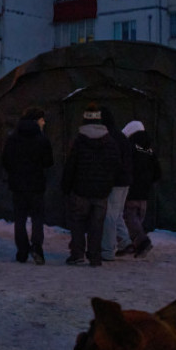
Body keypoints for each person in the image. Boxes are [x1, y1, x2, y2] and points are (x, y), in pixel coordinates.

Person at [60, 102, 120, 267]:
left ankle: (78, 254)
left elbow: (71, 166)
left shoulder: (78, 141)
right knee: (97, 225)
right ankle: (95, 256)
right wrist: (108, 184)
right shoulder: (110, 142)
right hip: (101, 192)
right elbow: (116, 165)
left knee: (78, 223)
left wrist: (66, 186)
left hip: (80, 190)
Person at [1, 106, 54, 265]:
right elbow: (48, 162)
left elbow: (5, 160)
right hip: (37, 184)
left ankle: (22, 251)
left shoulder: (13, 138)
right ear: (36, 120)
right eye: (42, 119)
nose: (44, 122)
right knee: (37, 218)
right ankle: (37, 248)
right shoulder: (42, 139)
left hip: (17, 185)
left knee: (20, 218)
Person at [117, 120, 162, 258]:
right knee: (137, 219)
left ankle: (142, 242)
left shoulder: (129, 148)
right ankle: (133, 245)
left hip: (131, 190)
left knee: (128, 218)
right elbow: (157, 172)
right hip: (145, 192)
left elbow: (124, 166)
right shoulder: (149, 150)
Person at [100, 106, 133, 262]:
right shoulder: (120, 136)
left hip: (115, 182)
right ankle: (125, 242)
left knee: (109, 216)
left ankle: (107, 250)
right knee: (117, 213)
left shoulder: (108, 137)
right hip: (125, 181)